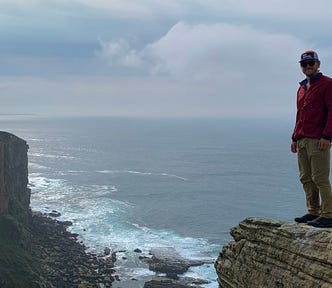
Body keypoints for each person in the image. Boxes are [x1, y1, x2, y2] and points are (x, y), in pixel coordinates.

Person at [291, 50, 332, 228]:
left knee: (320, 178)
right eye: (304, 64)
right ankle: (313, 211)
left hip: (318, 139)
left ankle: (329, 214)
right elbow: (299, 115)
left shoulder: (327, 84)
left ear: (318, 64)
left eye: (311, 63)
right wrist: (294, 138)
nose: (308, 66)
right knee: (305, 177)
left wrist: (327, 136)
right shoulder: (301, 88)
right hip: (302, 139)